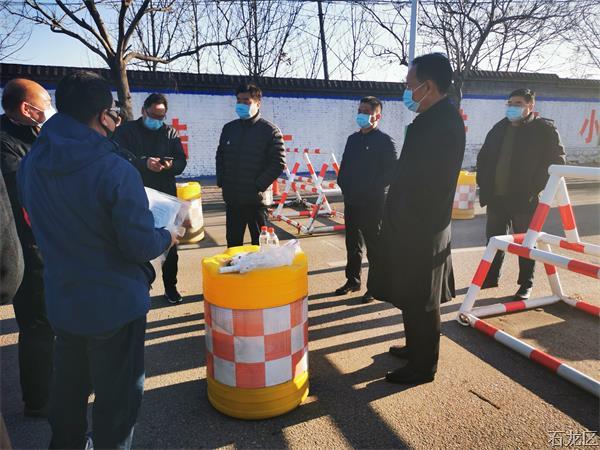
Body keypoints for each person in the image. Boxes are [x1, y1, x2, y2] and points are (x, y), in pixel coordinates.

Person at [17, 70, 176, 449]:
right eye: (114, 114)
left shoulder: (31, 162)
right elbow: (139, 245)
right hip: (115, 303)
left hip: (63, 298)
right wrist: (169, 235)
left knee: (69, 386)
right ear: (103, 116)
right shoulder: (115, 169)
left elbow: (32, 219)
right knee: (117, 399)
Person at [368, 53, 465, 384]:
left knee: (423, 298)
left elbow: (430, 183)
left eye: (410, 85)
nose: (407, 91)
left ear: (429, 86)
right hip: (412, 222)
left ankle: (423, 366)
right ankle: (414, 348)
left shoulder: (444, 123)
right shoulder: (431, 119)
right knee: (412, 293)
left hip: (422, 226)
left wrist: (405, 217)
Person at [476, 89, 566, 300]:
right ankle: (491, 277)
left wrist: (534, 187)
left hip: (524, 198)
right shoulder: (500, 128)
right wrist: (484, 182)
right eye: (509, 103)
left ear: (530, 106)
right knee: (494, 239)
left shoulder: (544, 130)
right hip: (496, 196)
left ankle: (526, 283)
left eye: (517, 103)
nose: (512, 108)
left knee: (526, 243)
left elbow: (557, 161)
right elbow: (484, 157)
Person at [0, 78, 55, 417]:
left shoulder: (33, 134)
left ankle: (51, 383)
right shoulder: (6, 144)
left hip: (46, 245)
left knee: (51, 321)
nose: (50, 109)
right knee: (37, 325)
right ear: (27, 108)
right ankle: (38, 400)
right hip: (25, 249)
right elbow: (27, 198)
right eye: (45, 103)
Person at [114, 93, 187, 304]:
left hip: (165, 198)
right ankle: (139, 288)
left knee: (169, 244)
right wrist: (143, 163)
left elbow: (181, 162)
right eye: (153, 115)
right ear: (143, 111)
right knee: (136, 242)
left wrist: (170, 166)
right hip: (136, 194)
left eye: (161, 116)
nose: (157, 120)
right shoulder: (126, 132)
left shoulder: (170, 133)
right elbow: (118, 157)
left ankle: (171, 287)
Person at [336, 96, 398, 303]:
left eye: (366, 112)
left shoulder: (384, 141)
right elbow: (344, 166)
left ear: (377, 116)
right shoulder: (352, 139)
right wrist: (344, 185)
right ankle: (352, 281)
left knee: (374, 246)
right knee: (352, 243)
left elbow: (391, 172)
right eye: (359, 111)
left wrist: (371, 188)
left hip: (373, 203)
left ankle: (375, 286)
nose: (361, 115)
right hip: (352, 200)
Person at [216, 83, 285, 247]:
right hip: (233, 199)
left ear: (257, 103)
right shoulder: (229, 129)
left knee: (260, 245)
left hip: (256, 201)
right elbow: (220, 156)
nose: (241, 104)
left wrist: (257, 186)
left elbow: (278, 163)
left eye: (246, 101)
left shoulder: (269, 131)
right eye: (238, 100)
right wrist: (223, 182)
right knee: (233, 244)